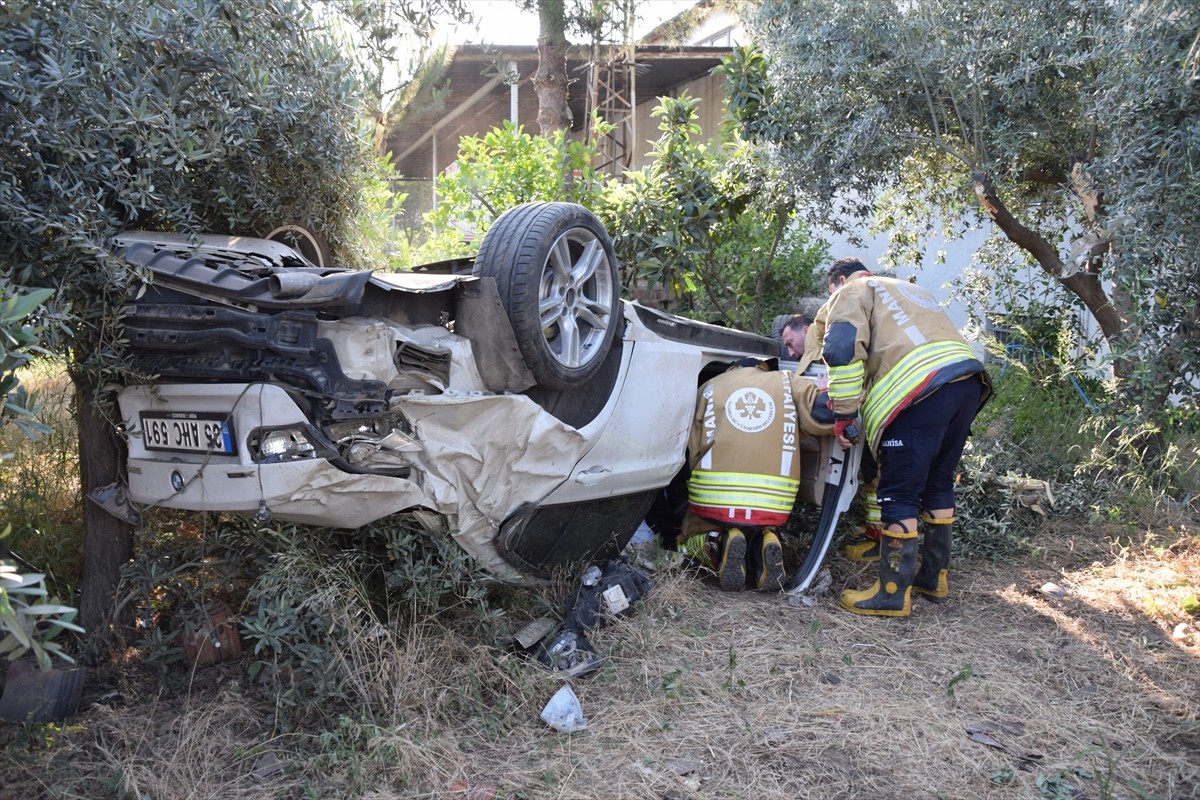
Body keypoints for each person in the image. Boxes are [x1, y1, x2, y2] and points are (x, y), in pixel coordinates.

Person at [818, 258, 991, 617]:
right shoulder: (910, 289)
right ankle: (933, 578)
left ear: (837, 281)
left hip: (919, 390)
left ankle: (891, 593)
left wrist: (845, 414)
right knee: (938, 484)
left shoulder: (851, 291)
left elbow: (841, 349)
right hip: (967, 382)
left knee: (900, 491)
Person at [677, 360, 835, 592]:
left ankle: (717, 543)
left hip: (715, 496)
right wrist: (828, 390)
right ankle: (767, 539)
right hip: (775, 500)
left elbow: (693, 447)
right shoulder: (788, 382)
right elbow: (824, 414)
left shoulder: (709, 386)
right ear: (766, 367)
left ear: (732, 368)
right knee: (763, 523)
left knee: (689, 537)